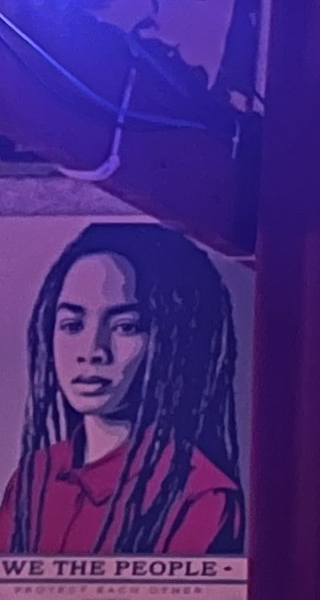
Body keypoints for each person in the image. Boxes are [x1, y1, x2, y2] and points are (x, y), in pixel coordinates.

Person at [7, 224, 244, 560]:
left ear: (171, 342)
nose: (92, 351)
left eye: (125, 327)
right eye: (73, 325)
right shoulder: (36, 477)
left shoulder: (201, 493)